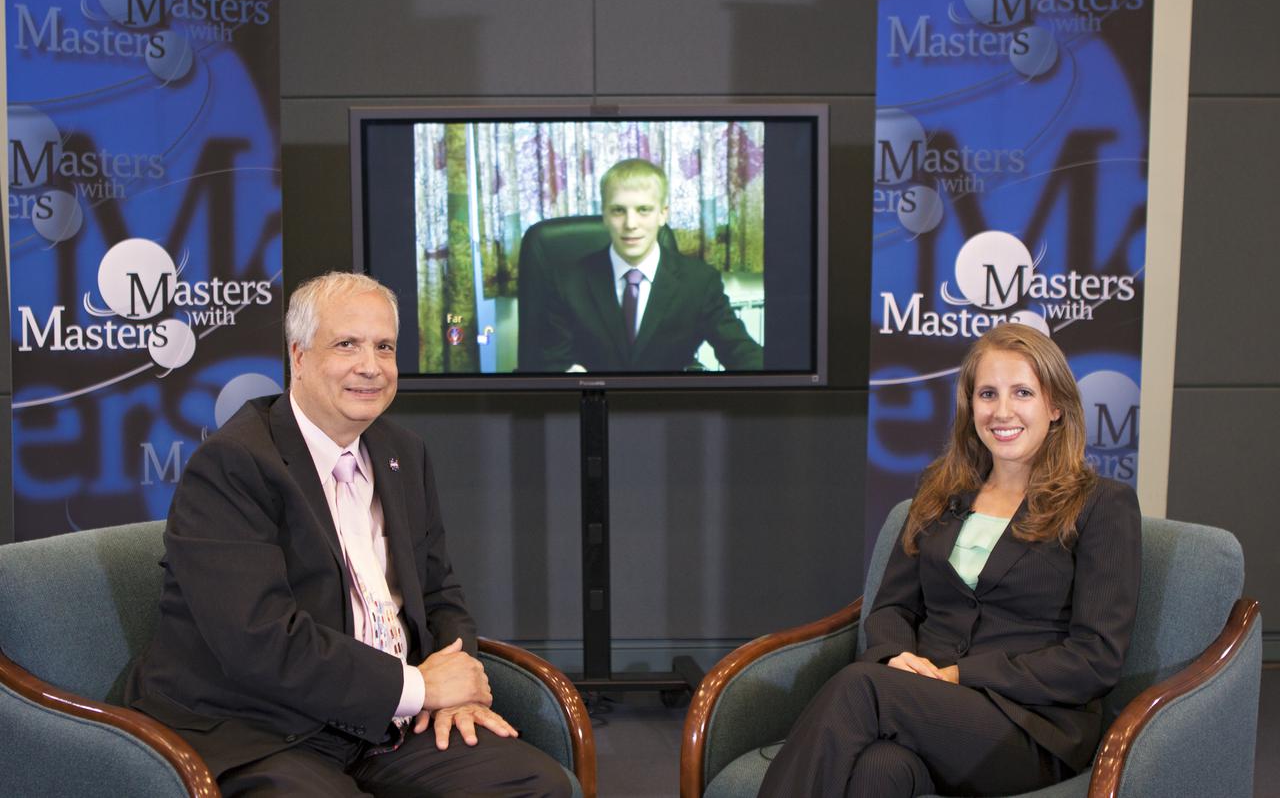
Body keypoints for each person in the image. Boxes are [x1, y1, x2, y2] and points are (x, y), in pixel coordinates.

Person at [127, 272, 571, 797]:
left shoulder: (402, 451)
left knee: (535, 786)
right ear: (299, 356)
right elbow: (260, 643)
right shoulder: (234, 464)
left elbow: (438, 592)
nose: (371, 367)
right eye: (347, 345)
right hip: (264, 728)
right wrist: (422, 686)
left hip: (388, 724)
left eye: (384, 347)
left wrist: (460, 681)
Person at [759, 323, 1142, 797]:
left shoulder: (1102, 505)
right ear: (970, 406)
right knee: (881, 769)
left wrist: (961, 675)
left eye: (1022, 392)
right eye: (987, 393)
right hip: (925, 709)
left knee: (861, 687)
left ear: (1056, 406)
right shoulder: (940, 491)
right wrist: (899, 657)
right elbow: (892, 609)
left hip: (1028, 727)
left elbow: (1096, 659)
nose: (1002, 411)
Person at [535, 158, 763, 372]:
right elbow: (552, 365)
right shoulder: (567, 282)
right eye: (618, 211)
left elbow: (740, 350)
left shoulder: (700, 282)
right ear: (604, 215)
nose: (630, 224)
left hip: (667, 407)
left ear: (663, 214)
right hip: (592, 404)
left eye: (643, 210)